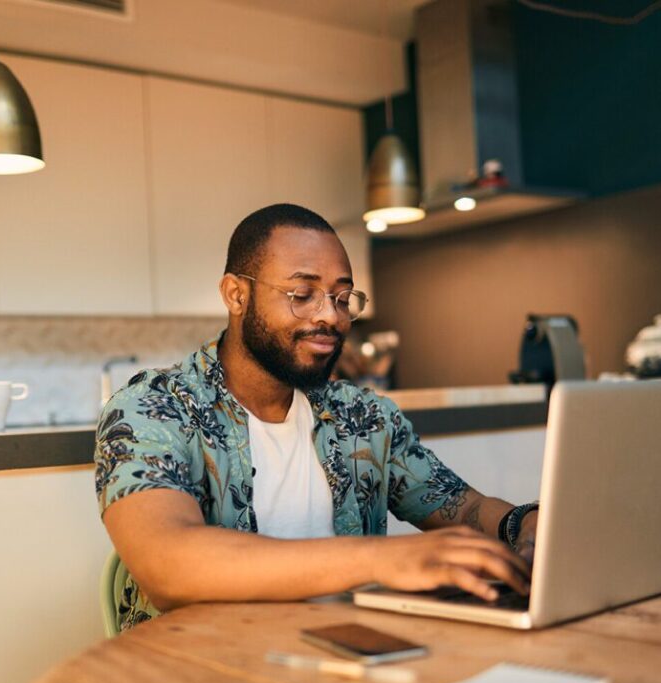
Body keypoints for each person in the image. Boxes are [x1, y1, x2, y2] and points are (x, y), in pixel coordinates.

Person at [95, 203, 537, 630]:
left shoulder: (362, 417)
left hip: (347, 662)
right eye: (302, 295)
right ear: (236, 294)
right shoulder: (153, 408)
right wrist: (383, 559)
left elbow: (465, 508)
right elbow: (168, 566)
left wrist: (528, 524)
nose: (330, 316)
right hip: (205, 678)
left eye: (342, 298)